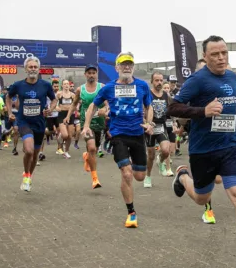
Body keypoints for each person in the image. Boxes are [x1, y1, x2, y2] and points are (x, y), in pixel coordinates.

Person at [169, 36, 236, 268]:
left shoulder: (231, 76)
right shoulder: (197, 81)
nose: (221, 58)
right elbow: (173, 107)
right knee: (201, 199)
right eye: (215, 54)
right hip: (203, 149)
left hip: (229, 146)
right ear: (205, 57)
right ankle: (183, 176)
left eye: (224, 53)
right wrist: (202, 111)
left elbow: (232, 99)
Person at [83, 53, 153, 227]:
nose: (126, 67)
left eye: (129, 64)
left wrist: (149, 123)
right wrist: (86, 126)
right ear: (117, 68)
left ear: (133, 67)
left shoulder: (142, 85)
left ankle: (127, 172)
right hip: (118, 134)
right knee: (127, 173)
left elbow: (149, 105)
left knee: (139, 176)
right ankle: (131, 213)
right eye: (123, 65)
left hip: (137, 134)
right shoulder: (108, 88)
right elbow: (93, 105)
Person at [5, 57, 56, 192]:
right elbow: (8, 97)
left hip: (39, 123)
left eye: (35, 67)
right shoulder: (18, 85)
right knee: (29, 150)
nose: (33, 69)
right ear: (25, 69)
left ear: (38, 69)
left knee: (35, 155)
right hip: (24, 121)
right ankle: (26, 175)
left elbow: (54, 99)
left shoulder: (45, 85)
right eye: (30, 67)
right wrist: (10, 112)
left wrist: (50, 109)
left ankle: (29, 176)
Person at [65, 64, 106, 189]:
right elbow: (74, 104)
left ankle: (87, 156)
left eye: (94, 72)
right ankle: (95, 179)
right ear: (85, 75)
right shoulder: (80, 90)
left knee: (94, 148)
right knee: (92, 148)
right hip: (86, 124)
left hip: (99, 123)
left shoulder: (102, 87)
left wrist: (104, 109)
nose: (91, 75)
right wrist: (68, 116)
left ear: (96, 74)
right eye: (89, 73)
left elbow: (107, 104)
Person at [144, 72, 174, 188]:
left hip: (161, 126)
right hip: (150, 128)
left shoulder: (166, 96)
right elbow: (143, 110)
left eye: (161, 80)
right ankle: (148, 176)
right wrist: (146, 123)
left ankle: (160, 160)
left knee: (166, 151)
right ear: (152, 82)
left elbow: (171, 111)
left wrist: (174, 123)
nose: (159, 83)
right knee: (150, 156)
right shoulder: (148, 94)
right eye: (156, 80)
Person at [53, 80, 75, 158]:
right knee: (65, 135)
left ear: (69, 86)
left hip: (70, 115)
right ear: (62, 86)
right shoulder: (59, 94)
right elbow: (54, 103)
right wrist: (56, 107)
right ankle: (60, 136)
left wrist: (76, 108)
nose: (66, 85)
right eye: (64, 84)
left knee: (70, 136)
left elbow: (76, 104)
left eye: (67, 84)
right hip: (62, 114)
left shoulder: (73, 95)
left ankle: (66, 151)